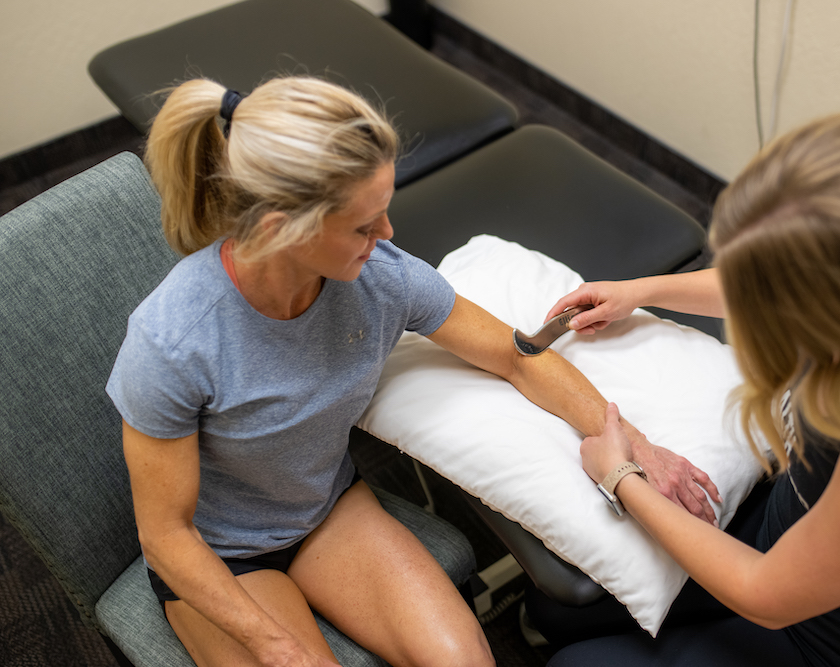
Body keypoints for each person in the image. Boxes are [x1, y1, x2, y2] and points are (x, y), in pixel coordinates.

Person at [105, 76, 720, 667]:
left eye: (385, 210)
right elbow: (166, 535)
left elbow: (517, 355)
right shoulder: (174, 343)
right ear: (280, 230)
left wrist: (639, 449)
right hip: (219, 554)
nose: (389, 234)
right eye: (364, 225)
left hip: (325, 511)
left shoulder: (381, 279)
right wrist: (278, 649)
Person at [545, 111, 840, 666]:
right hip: (791, 527)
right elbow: (761, 279)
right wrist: (638, 291)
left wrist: (622, 477)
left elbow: (765, 594)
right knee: (558, 606)